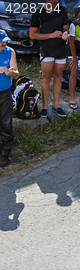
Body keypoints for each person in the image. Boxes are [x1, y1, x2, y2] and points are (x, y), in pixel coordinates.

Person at [30, 0, 69, 118]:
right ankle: (45, 107)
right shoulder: (38, 11)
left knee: (58, 77)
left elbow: (66, 29)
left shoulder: (62, 9)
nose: (56, 1)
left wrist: (65, 34)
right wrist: (50, 35)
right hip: (46, 49)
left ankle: (56, 105)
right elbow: (32, 34)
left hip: (61, 49)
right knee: (46, 78)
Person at [0, 30, 19, 167]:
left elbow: (17, 74)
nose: (4, 44)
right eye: (1, 43)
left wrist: (11, 73)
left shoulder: (10, 51)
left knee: (6, 123)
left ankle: (5, 153)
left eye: (5, 41)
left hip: (5, 93)